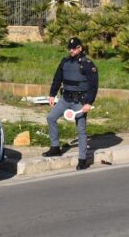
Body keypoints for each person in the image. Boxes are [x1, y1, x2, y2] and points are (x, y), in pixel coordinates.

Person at [42, 37, 99, 170]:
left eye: (73, 48)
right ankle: (55, 147)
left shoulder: (87, 64)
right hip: (65, 99)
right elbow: (57, 78)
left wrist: (88, 103)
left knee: (81, 130)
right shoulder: (65, 62)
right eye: (69, 48)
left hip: (79, 102)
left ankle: (82, 160)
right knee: (51, 118)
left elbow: (93, 86)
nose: (71, 50)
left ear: (80, 48)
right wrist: (52, 94)